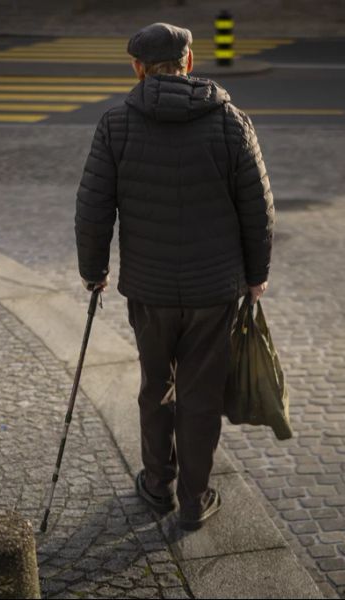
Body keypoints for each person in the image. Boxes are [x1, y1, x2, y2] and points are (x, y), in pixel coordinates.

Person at [75, 22, 274, 530]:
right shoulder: (231, 122)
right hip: (213, 291)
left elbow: (94, 208)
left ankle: (158, 485)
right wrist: (257, 275)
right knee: (201, 394)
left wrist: (94, 271)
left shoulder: (116, 125)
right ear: (189, 63)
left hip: (149, 289)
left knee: (155, 385)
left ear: (138, 68)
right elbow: (258, 209)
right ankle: (194, 499)